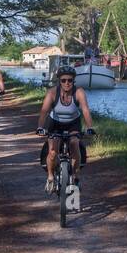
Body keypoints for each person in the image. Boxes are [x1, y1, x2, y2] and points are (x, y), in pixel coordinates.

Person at [36, 65, 95, 194]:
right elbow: (44, 111)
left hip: (73, 123)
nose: (67, 83)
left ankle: (75, 177)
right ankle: (51, 178)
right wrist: (40, 127)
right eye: (63, 80)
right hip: (55, 123)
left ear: (73, 81)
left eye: (70, 80)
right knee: (52, 152)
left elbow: (85, 110)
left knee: (74, 144)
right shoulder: (52, 92)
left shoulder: (79, 92)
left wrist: (90, 127)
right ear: (59, 81)